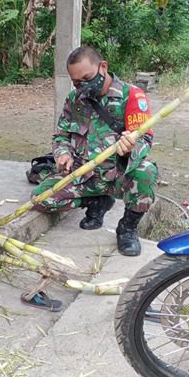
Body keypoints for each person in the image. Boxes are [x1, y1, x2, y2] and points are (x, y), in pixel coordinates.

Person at [31, 46, 157, 256]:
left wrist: (130, 149)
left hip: (118, 174)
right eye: (77, 82)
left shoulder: (132, 96)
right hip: (84, 174)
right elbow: (62, 136)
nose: (83, 86)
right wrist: (63, 153)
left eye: (88, 78)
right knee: (40, 198)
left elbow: (144, 139)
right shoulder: (74, 99)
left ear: (103, 67)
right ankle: (98, 201)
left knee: (146, 172)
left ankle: (127, 228)